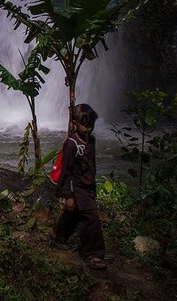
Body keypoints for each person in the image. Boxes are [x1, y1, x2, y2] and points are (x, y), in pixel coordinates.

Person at [51, 103, 107, 270]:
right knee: (92, 219)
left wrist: (93, 184)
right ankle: (93, 253)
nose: (88, 128)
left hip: (88, 186)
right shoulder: (71, 144)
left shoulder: (91, 140)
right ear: (75, 123)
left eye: (91, 125)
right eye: (85, 124)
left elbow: (92, 164)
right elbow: (66, 171)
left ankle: (57, 236)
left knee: (73, 215)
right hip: (77, 188)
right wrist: (68, 195)